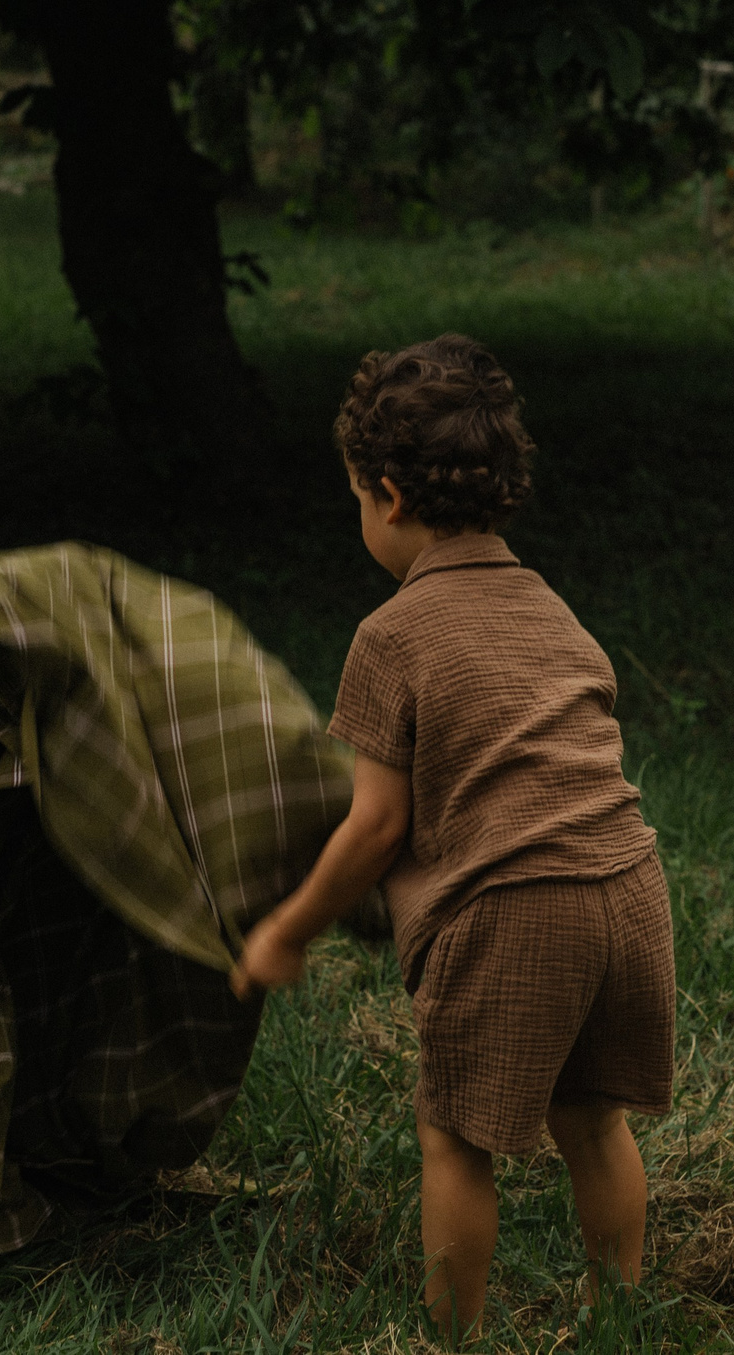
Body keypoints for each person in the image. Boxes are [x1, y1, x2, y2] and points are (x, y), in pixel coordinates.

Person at [231, 333, 674, 1342]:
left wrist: (289, 929)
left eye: (353, 501)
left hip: (519, 908)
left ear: (386, 495)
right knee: (591, 1123)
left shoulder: (391, 635)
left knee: (453, 1141)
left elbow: (376, 825)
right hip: (630, 889)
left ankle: (454, 1340)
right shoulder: (552, 609)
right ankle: (620, 1324)